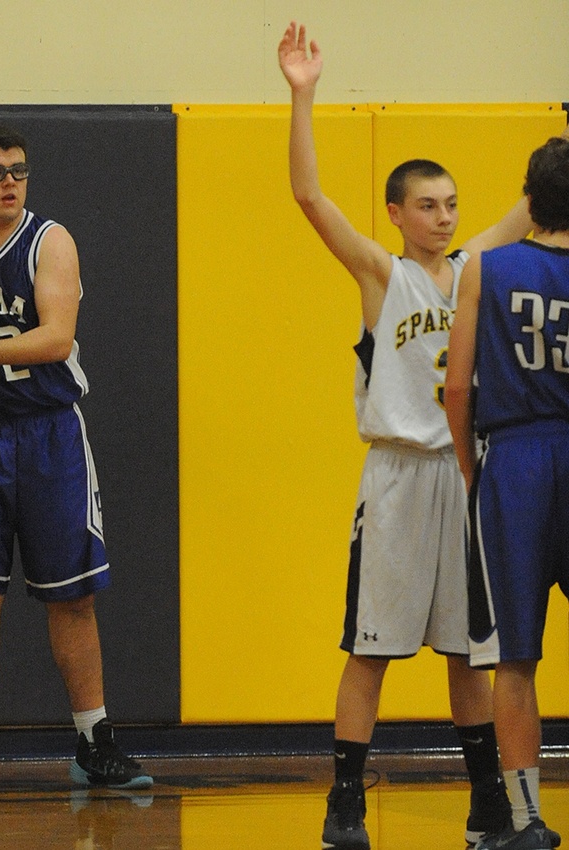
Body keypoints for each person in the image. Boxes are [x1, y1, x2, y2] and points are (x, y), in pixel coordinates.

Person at [278, 21, 554, 850]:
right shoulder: (381, 274)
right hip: (398, 476)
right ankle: (347, 800)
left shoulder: (474, 268)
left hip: (465, 474)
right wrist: (302, 95)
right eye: (428, 206)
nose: (443, 217)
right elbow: (308, 199)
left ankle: (485, 804)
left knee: (471, 657)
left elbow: (532, 207)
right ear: (396, 213)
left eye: (452, 205)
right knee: (372, 650)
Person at [0, 123, 151, 794]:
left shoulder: (51, 240)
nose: (10, 181)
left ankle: (94, 740)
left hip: (48, 433)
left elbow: (55, 337)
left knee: (71, 597)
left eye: (19, 170)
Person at [444, 136, 569, 850]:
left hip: (514, 458)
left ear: (530, 198)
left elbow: (456, 388)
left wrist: (472, 471)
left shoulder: (486, 268)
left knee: (514, 658)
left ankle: (526, 821)